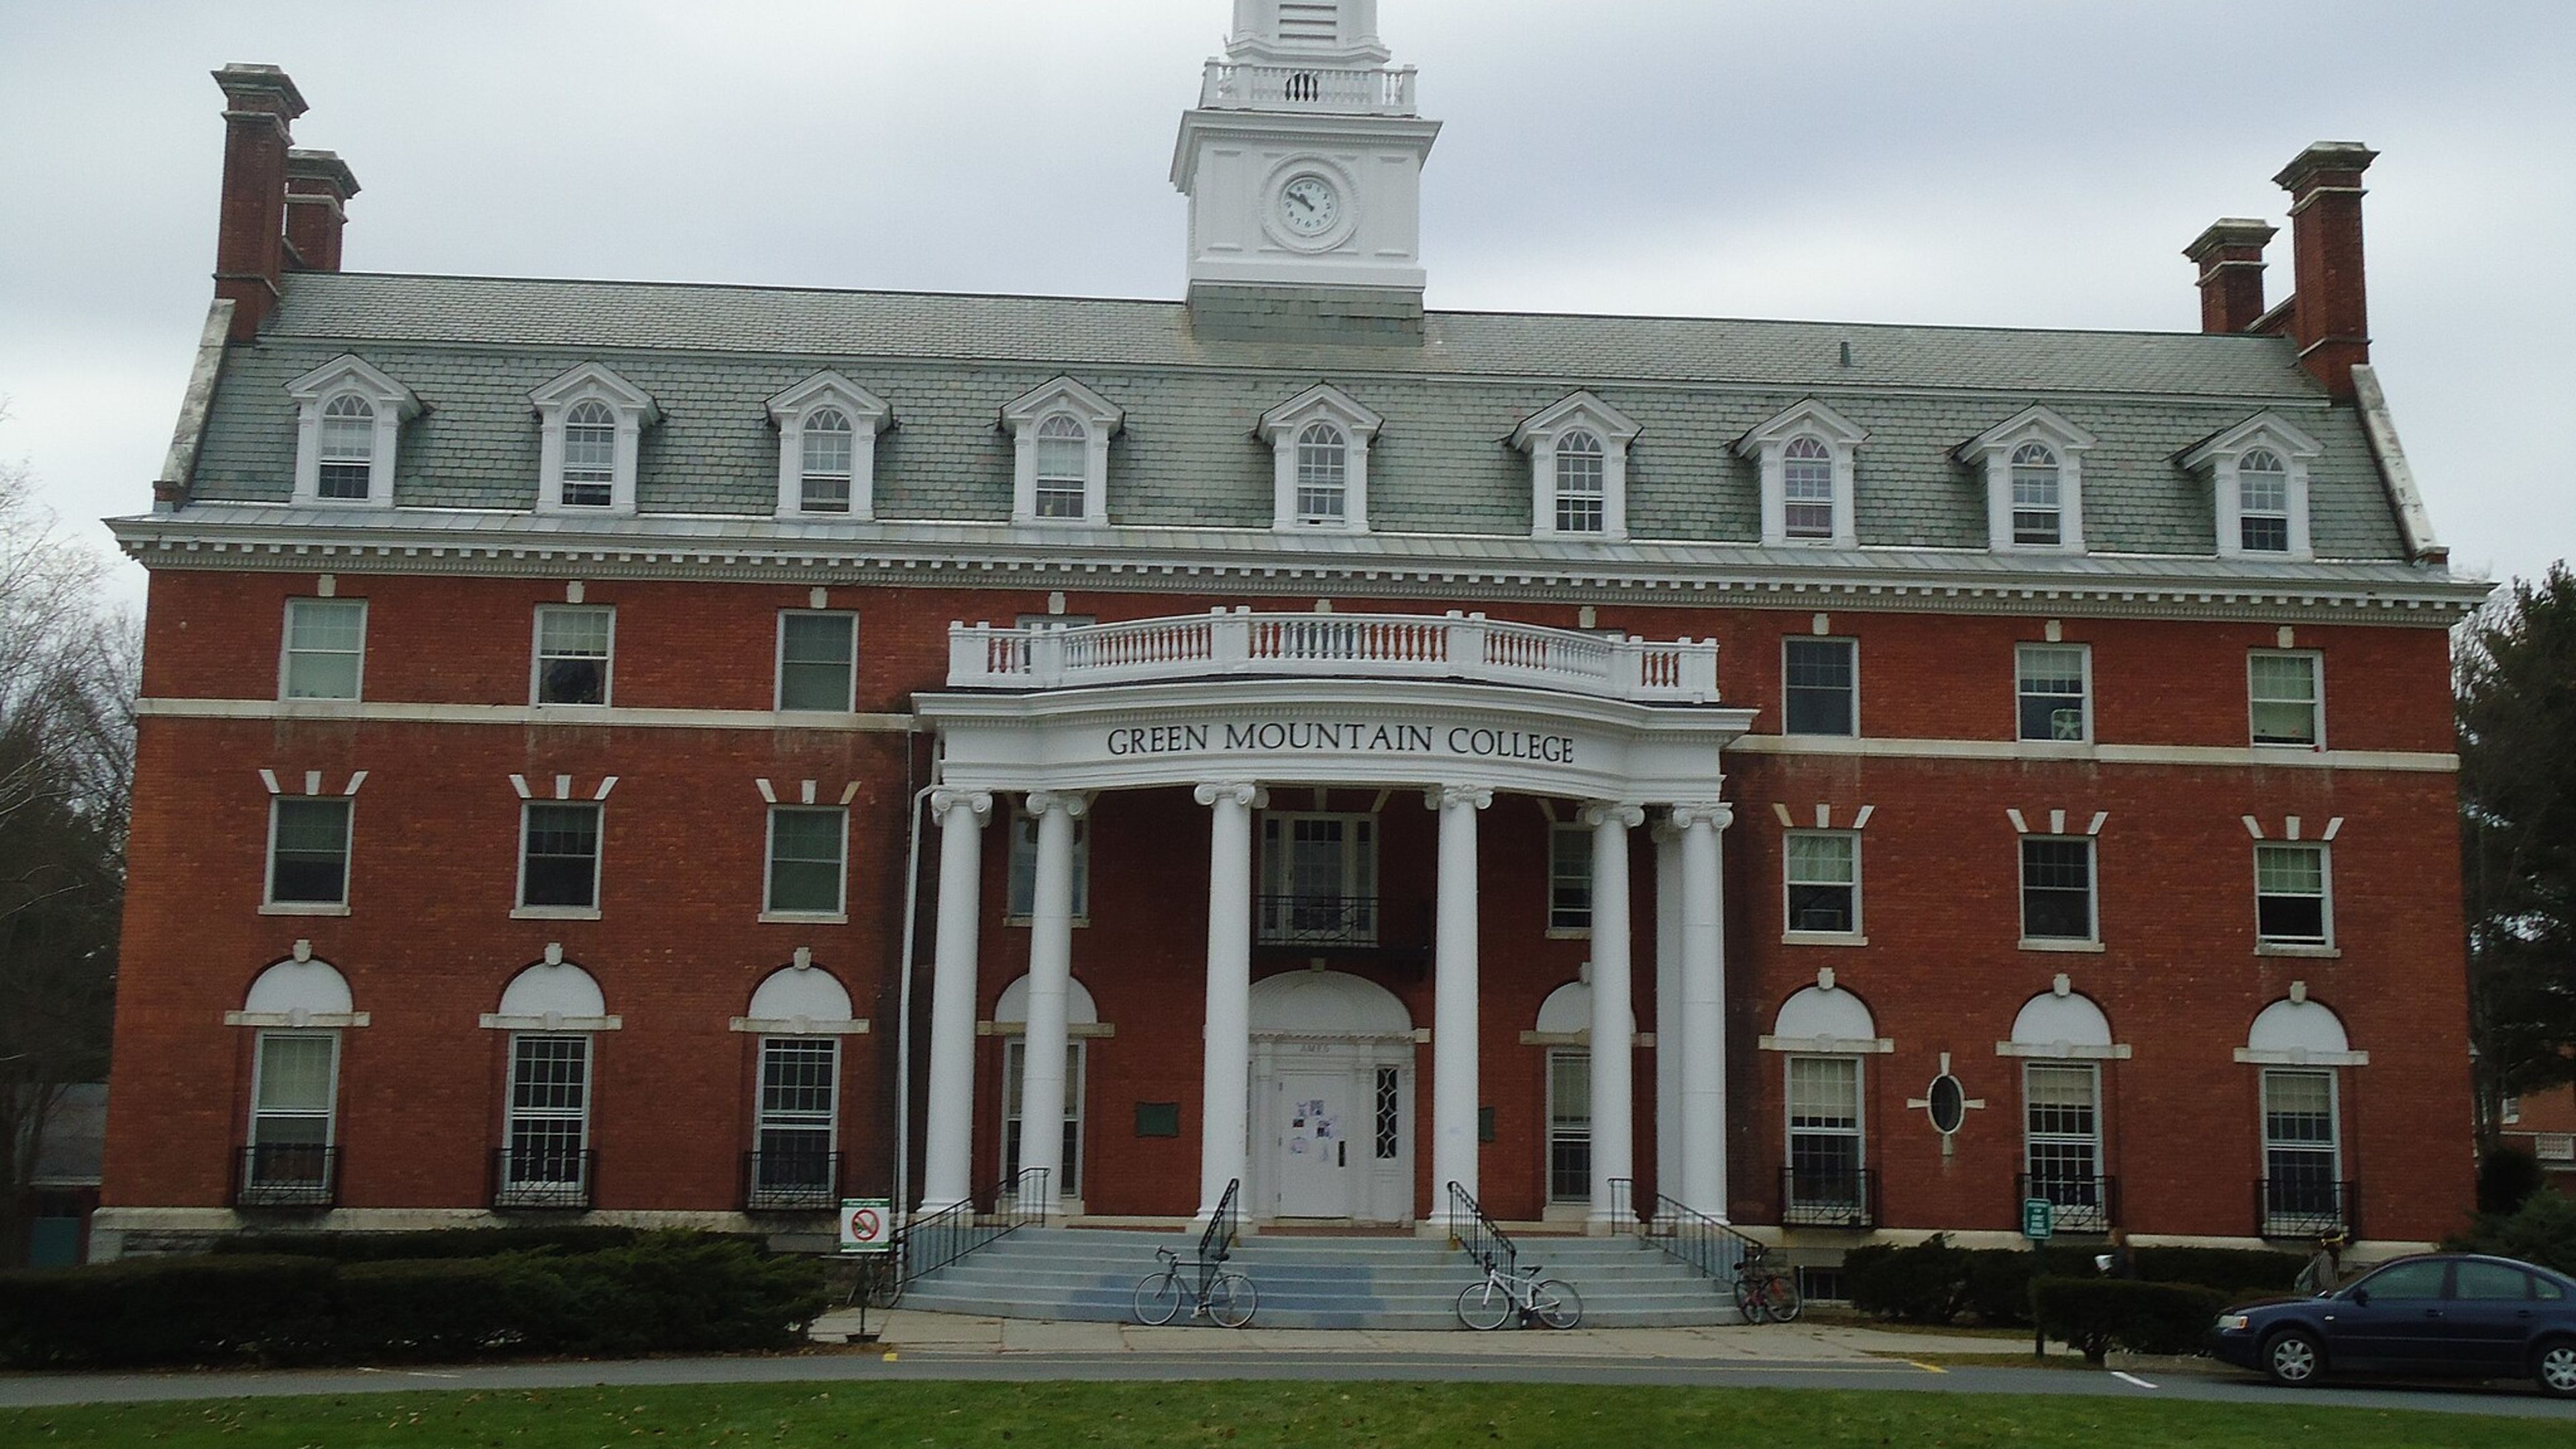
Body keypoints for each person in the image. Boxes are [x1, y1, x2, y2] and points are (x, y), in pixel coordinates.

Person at [2295, 1231, 2347, 1295]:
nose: (2342, 1244)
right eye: (2340, 1242)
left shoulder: (2329, 1257)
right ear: (2334, 1244)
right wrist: (2333, 1293)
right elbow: (2326, 1280)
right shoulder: (2326, 1258)